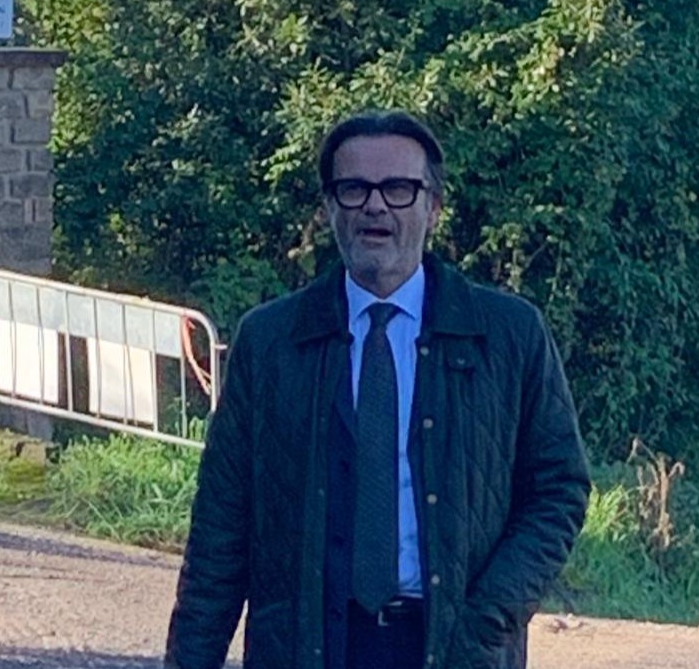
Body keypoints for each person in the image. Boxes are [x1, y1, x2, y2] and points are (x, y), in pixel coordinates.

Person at [165, 110, 590, 669]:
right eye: (354, 189)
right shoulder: (270, 343)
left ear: (433, 207)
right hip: (304, 650)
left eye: (397, 189)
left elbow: (558, 489)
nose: (375, 206)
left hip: (455, 650)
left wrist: (489, 617)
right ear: (329, 207)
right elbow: (220, 530)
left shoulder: (508, 336)